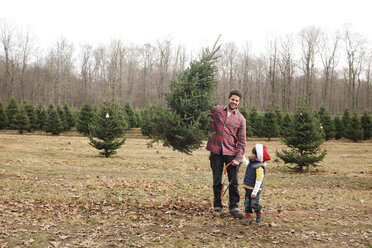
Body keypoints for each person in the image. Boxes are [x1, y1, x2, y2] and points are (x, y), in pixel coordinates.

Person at [207, 90, 246, 219]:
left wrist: (238, 158)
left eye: (237, 101)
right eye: (232, 99)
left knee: (233, 182)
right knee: (217, 180)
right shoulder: (217, 111)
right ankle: (217, 206)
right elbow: (204, 105)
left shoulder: (241, 119)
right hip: (216, 151)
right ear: (228, 99)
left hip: (231, 153)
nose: (234, 102)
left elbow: (242, 141)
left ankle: (234, 207)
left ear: (239, 102)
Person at [242, 144, 271, 225]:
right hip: (247, 187)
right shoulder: (252, 163)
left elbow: (259, 180)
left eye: (252, 153)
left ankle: (259, 211)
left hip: (255, 189)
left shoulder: (259, 167)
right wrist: (242, 157)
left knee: (254, 203)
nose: (250, 154)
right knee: (247, 204)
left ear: (257, 156)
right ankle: (249, 218)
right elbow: (246, 163)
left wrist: (254, 192)